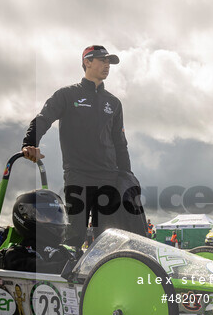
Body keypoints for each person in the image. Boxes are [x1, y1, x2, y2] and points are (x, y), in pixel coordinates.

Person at [21, 45, 137, 249]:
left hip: (109, 177)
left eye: (109, 61)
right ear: (87, 62)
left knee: (108, 239)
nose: (107, 65)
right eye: (102, 60)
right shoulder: (67, 95)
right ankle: (67, 278)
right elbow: (43, 119)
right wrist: (30, 143)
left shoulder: (114, 103)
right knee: (75, 235)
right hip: (78, 175)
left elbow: (120, 143)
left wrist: (126, 175)